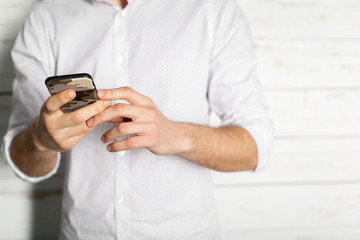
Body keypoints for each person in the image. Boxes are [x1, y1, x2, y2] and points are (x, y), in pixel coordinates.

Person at [1, 0, 273, 239]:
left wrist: (176, 136)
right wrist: (40, 139)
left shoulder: (213, 10)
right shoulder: (47, 15)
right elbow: (22, 162)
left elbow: (255, 147)